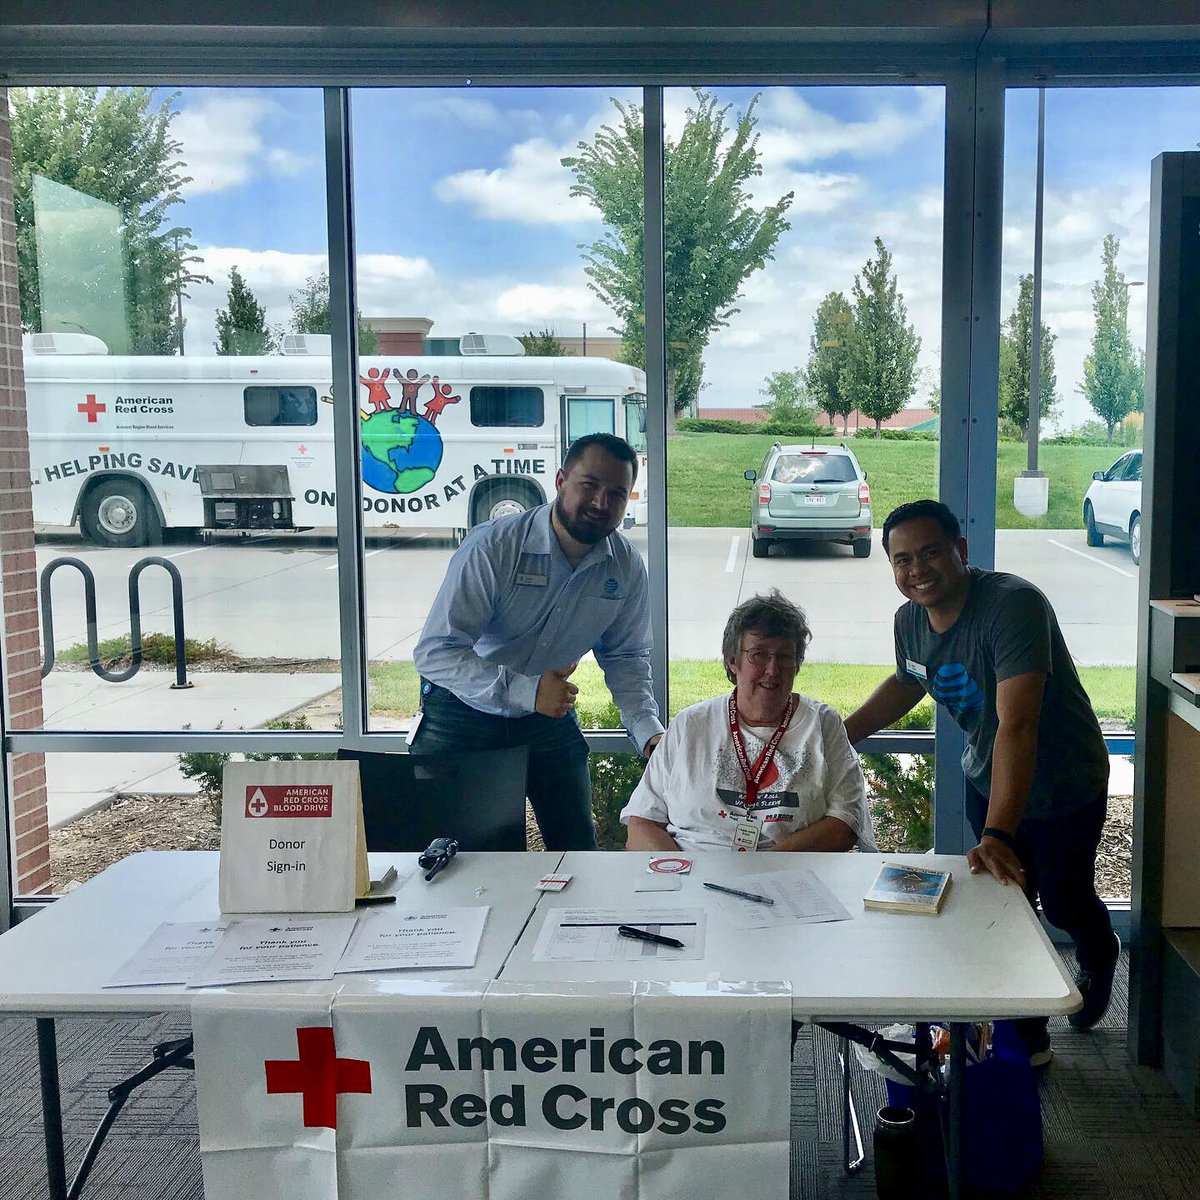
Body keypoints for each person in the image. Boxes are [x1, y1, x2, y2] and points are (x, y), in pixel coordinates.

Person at [843, 499, 1120, 1066]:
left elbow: (1018, 726)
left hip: (1064, 782)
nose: (917, 570)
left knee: (1063, 902)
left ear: (961, 550)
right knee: (1007, 907)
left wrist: (997, 833)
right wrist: (839, 736)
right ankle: (1028, 1032)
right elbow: (909, 681)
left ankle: (1101, 951)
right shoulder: (909, 621)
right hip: (987, 776)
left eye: (930, 552)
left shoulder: (1012, 606)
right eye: (902, 560)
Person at [412, 432, 663, 851]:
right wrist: (529, 692)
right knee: (468, 860)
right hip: (464, 712)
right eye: (589, 485)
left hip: (547, 717)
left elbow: (627, 658)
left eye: (617, 494)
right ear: (561, 480)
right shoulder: (494, 546)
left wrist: (649, 733)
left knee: (577, 851)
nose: (601, 502)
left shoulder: (625, 567)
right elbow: (436, 652)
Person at [621, 591, 874, 853]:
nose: (772, 670)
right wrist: (679, 872)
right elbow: (642, 823)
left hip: (789, 870)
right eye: (759, 655)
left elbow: (844, 824)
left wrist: (761, 868)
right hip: (694, 868)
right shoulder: (690, 725)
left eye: (785, 656)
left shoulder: (822, 724)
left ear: (798, 664)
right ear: (732, 660)